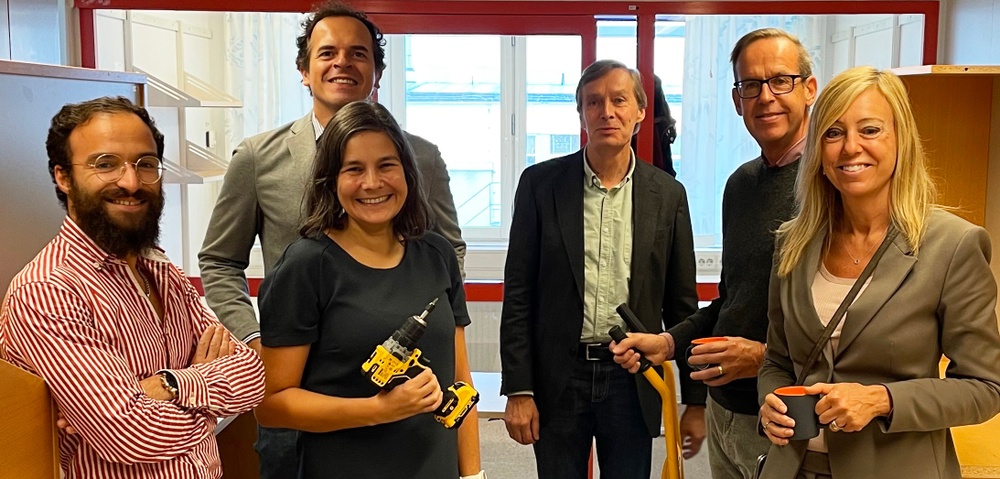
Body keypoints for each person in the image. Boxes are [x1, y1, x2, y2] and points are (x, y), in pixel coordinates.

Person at [197, 2, 466, 477]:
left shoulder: (420, 156)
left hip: (398, 382)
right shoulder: (257, 157)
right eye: (327, 53)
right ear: (304, 70)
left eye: (358, 53)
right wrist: (258, 339)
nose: (343, 62)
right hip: (296, 385)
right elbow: (220, 261)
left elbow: (447, 250)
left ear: (376, 72)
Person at [0, 96, 265, 478]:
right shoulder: (48, 290)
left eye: (145, 164)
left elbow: (251, 375)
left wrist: (167, 385)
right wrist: (204, 391)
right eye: (105, 164)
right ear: (63, 177)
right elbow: (130, 436)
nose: (131, 182)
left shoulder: (160, 269)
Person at [757, 66, 1000, 478]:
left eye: (869, 130)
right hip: (794, 468)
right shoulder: (792, 242)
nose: (851, 147)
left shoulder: (953, 246)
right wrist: (771, 404)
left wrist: (882, 400)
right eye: (833, 133)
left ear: (900, 138)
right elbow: (777, 361)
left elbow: (985, 388)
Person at [613, 28, 817, 478]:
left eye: (780, 80)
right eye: (750, 85)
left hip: (786, 416)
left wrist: (763, 356)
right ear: (736, 99)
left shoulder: (830, 186)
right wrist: (668, 343)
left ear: (809, 88)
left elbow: (853, 329)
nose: (765, 97)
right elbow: (732, 300)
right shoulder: (741, 184)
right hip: (728, 412)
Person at [253, 100, 482, 479]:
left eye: (386, 165)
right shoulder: (306, 266)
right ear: (332, 179)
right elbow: (272, 404)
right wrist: (378, 410)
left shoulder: (436, 254)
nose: (372, 183)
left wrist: (473, 475)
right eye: (354, 169)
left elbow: (461, 379)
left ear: (406, 171)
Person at [500, 59, 700, 479]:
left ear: (641, 112)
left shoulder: (668, 194)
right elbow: (519, 292)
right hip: (559, 377)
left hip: (633, 379)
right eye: (594, 102)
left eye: (618, 100)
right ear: (582, 114)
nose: (606, 111)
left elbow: (682, 304)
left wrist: (695, 401)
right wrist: (519, 389)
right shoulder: (540, 185)